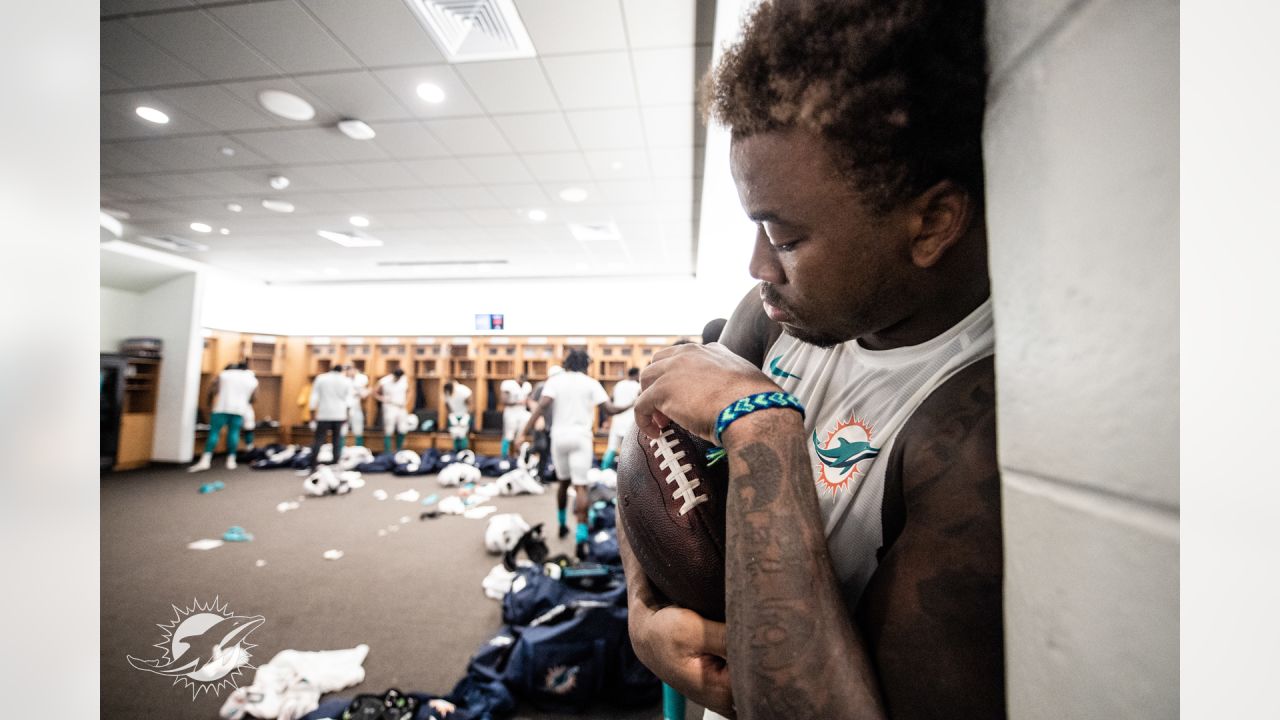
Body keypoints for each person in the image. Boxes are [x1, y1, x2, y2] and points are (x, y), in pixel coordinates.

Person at [619, 1, 1003, 718]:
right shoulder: (776, 320)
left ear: (932, 223)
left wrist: (763, 430)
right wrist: (644, 613)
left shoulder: (969, 436)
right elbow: (646, 443)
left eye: (787, 239)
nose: (758, 264)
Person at [520, 350, 631, 544]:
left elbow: (542, 405)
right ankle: (581, 535)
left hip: (559, 437)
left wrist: (523, 432)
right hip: (581, 437)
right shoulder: (591, 383)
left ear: (567, 363)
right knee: (581, 487)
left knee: (563, 483)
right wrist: (634, 402)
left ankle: (562, 524)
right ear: (586, 365)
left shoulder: (555, 381)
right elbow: (611, 410)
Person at [189, 361, 258, 472]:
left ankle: (205, 461)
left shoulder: (224, 375)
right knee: (233, 433)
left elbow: (213, 390)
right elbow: (253, 398)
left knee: (214, 432)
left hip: (221, 408)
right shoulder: (252, 380)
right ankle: (231, 460)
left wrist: (209, 404)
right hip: (239, 409)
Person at [309, 364, 351, 471]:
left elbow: (314, 397)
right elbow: (349, 401)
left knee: (319, 439)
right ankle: (335, 462)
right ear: (341, 370)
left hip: (324, 414)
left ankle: (313, 464)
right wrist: (347, 417)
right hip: (340, 414)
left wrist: (312, 416)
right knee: (337, 439)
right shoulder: (346, 380)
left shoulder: (321, 378)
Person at [600, 367, 641, 470]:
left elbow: (609, 403)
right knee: (630, 452)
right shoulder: (638, 387)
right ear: (636, 375)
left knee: (612, 448)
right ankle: (627, 474)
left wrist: (606, 420)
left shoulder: (618, 385)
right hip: (631, 424)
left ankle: (603, 471)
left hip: (617, 421)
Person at [374, 368, 409, 453]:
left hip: (401, 407)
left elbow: (409, 391)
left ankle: (399, 450)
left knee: (402, 428)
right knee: (389, 429)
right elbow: (375, 391)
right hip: (390, 406)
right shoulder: (385, 380)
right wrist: (382, 398)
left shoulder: (404, 379)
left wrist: (407, 401)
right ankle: (387, 452)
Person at [499, 373, 533, 458]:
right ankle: (504, 456)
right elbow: (503, 401)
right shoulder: (508, 384)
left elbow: (529, 399)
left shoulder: (527, 386)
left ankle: (518, 456)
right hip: (511, 412)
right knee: (508, 435)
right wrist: (517, 403)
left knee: (520, 435)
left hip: (522, 412)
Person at [443, 380, 473, 451]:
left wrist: (467, 415)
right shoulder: (447, 391)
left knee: (462, 434)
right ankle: (456, 452)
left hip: (464, 415)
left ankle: (464, 452)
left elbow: (470, 403)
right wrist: (451, 414)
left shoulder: (462, 390)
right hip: (454, 416)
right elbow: (447, 405)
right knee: (455, 435)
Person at [345, 365, 370, 447]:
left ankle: (358, 448)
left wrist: (368, 391)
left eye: (353, 370)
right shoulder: (343, 380)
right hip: (344, 407)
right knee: (342, 429)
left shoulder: (359, 380)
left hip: (355, 406)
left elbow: (363, 395)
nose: (351, 372)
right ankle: (340, 450)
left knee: (358, 428)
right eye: (349, 370)